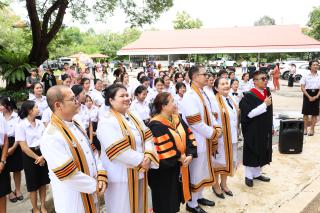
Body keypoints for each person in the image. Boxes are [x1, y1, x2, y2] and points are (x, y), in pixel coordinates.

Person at [40, 85, 107, 213]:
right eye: (72, 99)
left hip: (91, 192)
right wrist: (96, 186)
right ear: (58, 105)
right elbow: (69, 175)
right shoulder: (51, 136)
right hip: (73, 200)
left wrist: (101, 174)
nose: (77, 101)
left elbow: (92, 152)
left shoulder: (76, 122)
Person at [97, 84, 159, 213]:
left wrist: (148, 155)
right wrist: (144, 160)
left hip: (140, 171)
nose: (127, 98)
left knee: (140, 206)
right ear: (111, 100)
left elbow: (147, 135)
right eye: (122, 96)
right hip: (121, 176)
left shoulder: (133, 115)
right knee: (122, 208)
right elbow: (119, 152)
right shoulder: (106, 121)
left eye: (127, 95)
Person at [182, 66, 222, 213]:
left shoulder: (202, 93)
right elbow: (195, 122)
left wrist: (216, 126)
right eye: (204, 74)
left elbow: (210, 115)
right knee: (196, 171)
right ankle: (191, 204)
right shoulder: (189, 96)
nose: (207, 76)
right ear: (194, 77)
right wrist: (213, 133)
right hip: (197, 140)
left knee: (204, 170)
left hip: (206, 138)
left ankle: (199, 196)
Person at [148, 92, 197, 213]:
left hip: (178, 167)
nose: (175, 104)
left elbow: (190, 137)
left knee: (174, 202)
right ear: (163, 106)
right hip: (163, 173)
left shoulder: (177, 118)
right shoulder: (155, 124)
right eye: (172, 102)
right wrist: (180, 157)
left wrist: (190, 154)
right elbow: (163, 149)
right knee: (165, 203)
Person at [239, 71, 273, 187]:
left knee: (262, 149)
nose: (265, 80)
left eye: (266, 78)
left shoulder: (266, 93)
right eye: (262, 79)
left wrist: (271, 125)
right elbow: (248, 114)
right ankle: (248, 176)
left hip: (263, 128)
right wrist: (264, 105)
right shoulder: (248, 96)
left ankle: (257, 173)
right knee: (251, 150)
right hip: (252, 129)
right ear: (255, 81)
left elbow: (270, 112)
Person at [16, 100, 50, 213]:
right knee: (33, 185)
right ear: (30, 111)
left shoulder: (40, 123)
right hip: (29, 156)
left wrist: (43, 156)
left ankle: (43, 206)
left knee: (43, 182)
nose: (38, 109)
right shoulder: (21, 125)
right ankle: (35, 208)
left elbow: (46, 140)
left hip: (42, 153)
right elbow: (24, 147)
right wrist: (38, 158)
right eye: (36, 107)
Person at [211, 78, 239, 198]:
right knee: (218, 164)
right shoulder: (214, 101)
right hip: (221, 140)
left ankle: (224, 184)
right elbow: (212, 121)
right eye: (222, 84)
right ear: (216, 88)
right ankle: (216, 185)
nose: (226, 86)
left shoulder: (230, 98)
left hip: (232, 137)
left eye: (227, 83)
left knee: (228, 162)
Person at [0, 97, 23, 203]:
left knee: (17, 169)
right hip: (3, 144)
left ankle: (18, 190)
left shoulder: (17, 116)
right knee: (6, 170)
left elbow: (19, 133)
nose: (0, 107)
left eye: (1, 105)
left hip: (15, 142)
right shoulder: (0, 116)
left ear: (8, 106)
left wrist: (13, 147)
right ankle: (9, 192)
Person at [300, 60, 320, 136]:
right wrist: (309, 96)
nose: (316, 66)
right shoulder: (305, 75)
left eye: (317, 65)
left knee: (314, 113)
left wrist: (316, 96)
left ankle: (312, 129)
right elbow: (302, 87)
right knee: (306, 113)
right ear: (310, 66)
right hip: (307, 94)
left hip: (317, 94)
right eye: (314, 65)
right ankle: (305, 128)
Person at [0, 113, 10, 212]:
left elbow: (6, 140)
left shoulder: (1, 117)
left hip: (1, 156)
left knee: (2, 192)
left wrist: (3, 161)